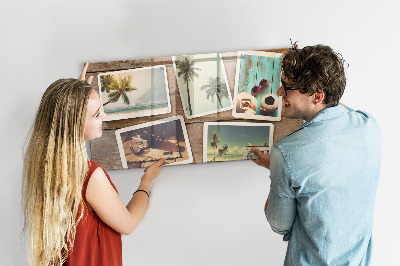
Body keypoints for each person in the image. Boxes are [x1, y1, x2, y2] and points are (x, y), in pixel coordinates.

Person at [22, 63, 165, 266]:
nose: (103, 117)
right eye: (97, 114)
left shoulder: (44, 168)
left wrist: (76, 97)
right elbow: (128, 223)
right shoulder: (90, 176)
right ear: (75, 124)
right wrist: (146, 182)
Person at [251, 44, 381, 265]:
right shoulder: (369, 125)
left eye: (287, 87)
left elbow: (279, 224)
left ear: (317, 96)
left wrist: (278, 169)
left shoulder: (286, 153)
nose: (280, 92)